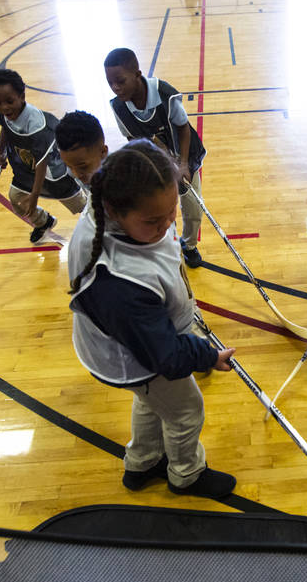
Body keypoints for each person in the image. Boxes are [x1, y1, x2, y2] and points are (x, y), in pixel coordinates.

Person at [67, 139, 237, 500]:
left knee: (151, 400)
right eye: (153, 221)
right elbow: (168, 357)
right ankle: (186, 474)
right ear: (116, 210)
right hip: (139, 355)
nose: (166, 225)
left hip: (135, 347)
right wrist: (206, 355)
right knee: (186, 412)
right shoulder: (121, 283)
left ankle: (142, 463)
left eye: (172, 213)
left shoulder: (121, 204)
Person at [103, 48, 207, 268]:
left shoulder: (165, 95)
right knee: (157, 208)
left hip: (185, 155)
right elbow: (132, 137)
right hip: (155, 162)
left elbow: (183, 128)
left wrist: (183, 164)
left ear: (137, 74)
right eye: (110, 83)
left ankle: (189, 245)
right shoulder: (118, 106)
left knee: (193, 208)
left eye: (120, 81)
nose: (115, 88)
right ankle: (166, 246)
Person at [0, 69, 88, 242]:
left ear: (22, 96)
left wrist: (34, 197)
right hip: (27, 169)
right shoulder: (2, 112)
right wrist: (0, 152)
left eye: (9, 101)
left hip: (52, 172)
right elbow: (6, 126)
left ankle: (105, 222)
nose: (4, 107)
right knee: (16, 198)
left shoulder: (38, 126)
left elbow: (42, 164)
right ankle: (43, 222)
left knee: (82, 206)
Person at [55, 111, 108, 188]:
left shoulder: (123, 181)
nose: (77, 174)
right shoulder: (75, 168)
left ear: (103, 152)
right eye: (69, 166)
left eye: (83, 167)